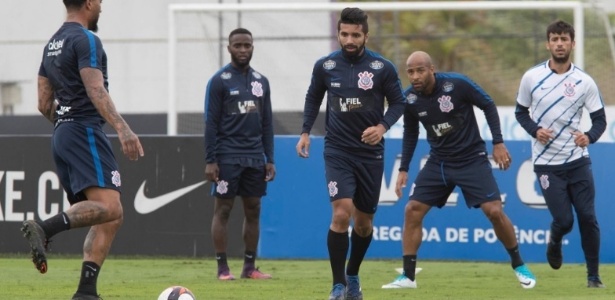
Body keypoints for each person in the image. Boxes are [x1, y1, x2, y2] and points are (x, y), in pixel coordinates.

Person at [381, 51, 536, 290]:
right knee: (412, 210)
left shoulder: (457, 84)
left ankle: (519, 265)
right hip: (439, 162)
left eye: (420, 70)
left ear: (432, 69)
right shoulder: (409, 99)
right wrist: (403, 168)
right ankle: (408, 277)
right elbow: (410, 133)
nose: (415, 76)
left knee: (494, 211)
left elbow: (488, 104)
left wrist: (498, 142)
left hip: (471, 159)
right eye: (410, 71)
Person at [21, 0, 144, 299]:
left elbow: (42, 102)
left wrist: (65, 125)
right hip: (83, 130)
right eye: (100, 1)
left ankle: (86, 292)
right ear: (89, 3)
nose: (101, 6)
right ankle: (44, 228)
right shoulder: (86, 39)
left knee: (109, 216)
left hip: (63, 133)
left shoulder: (52, 43)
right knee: (111, 207)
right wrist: (122, 129)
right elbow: (95, 89)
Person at [295, 7, 405, 300]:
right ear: (339, 33)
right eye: (344, 34)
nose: (350, 39)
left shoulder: (383, 68)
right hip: (337, 150)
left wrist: (382, 127)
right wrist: (305, 131)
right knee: (341, 212)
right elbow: (313, 96)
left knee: (364, 222)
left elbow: (398, 104)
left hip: (370, 153)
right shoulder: (326, 66)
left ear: (366, 35)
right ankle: (338, 284)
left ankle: (353, 273)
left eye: (356, 35)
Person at [515, 20, 607, 288]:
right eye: (554, 39)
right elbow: (521, 112)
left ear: (572, 44)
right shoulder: (531, 78)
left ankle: (593, 276)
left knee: (588, 217)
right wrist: (535, 130)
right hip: (546, 164)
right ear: (547, 44)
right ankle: (555, 240)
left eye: (564, 39)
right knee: (565, 221)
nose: (559, 43)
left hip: (577, 161)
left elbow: (600, 119)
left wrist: (588, 137)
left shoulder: (584, 81)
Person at [204, 28, 275, 281]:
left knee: (253, 209)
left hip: (255, 156)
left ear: (253, 47)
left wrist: (270, 159)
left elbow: (267, 123)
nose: (243, 50)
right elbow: (210, 123)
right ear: (229, 48)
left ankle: (249, 267)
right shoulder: (219, 80)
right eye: (238, 46)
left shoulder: (261, 81)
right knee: (223, 210)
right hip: (227, 156)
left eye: (247, 45)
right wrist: (211, 160)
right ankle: (223, 268)